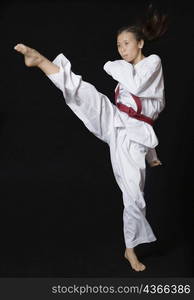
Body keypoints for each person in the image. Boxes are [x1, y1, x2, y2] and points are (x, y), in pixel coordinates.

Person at [14, 3, 168, 272]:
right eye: (118, 45)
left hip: (132, 137)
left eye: (126, 43)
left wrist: (151, 154)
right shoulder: (125, 73)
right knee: (82, 92)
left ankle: (129, 249)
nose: (122, 49)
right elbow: (138, 105)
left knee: (133, 196)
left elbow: (145, 107)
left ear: (141, 43)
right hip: (115, 120)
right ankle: (40, 60)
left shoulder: (151, 64)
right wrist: (115, 66)